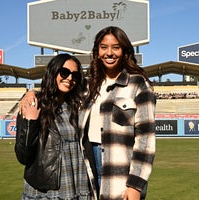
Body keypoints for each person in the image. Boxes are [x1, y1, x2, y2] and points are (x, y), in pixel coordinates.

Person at [79, 26, 156, 200]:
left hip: (120, 173)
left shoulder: (138, 84)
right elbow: (58, 90)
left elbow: (146, 139)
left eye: (116, 47)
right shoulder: (88, 86)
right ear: (97, 51)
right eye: (104, 47)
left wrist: (135, 185)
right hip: (88, 168)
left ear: (125, 51)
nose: (109, 52)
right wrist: (31, 93)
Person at [15, 53, 92, 199]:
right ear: (53, 72)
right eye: (64, 72)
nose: (70, 78)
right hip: (47, 190)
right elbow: (23, 156)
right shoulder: (34, 104)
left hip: (79, 184)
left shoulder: (79, 105)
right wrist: (30, 122)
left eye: (75, 75)